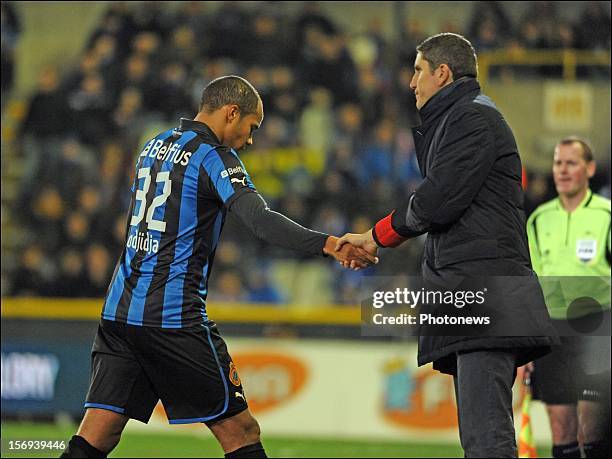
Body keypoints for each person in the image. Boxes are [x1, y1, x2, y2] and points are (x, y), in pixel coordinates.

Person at [60, 75, 377, 459]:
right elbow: (260, 221)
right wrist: (329, 244)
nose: (250, 139)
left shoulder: (152, 145)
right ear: (231, 113)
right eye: (251, 126)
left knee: (98, 434)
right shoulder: (214, 156)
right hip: (173, 318)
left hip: (119, 313)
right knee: (241, 431)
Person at [337, 33, 557, 457]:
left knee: (486, 434)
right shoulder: (461, 120)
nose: (411, 82)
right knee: (480, 431)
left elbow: (437, 201)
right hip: (471, 290)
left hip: (484, 292)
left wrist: (374, 236)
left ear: (442, 73)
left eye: (418, 70)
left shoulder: (471, 120)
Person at [524, 137, 611, 459]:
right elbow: (530, 285)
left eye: (571, 163)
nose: (562, 170)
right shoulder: (538, 219)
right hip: (552, 333)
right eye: (558, 163)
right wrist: (527, 343)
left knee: (591, 426)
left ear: (589, 169)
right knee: (561, 429)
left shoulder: (607, 215)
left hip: (597, 329)